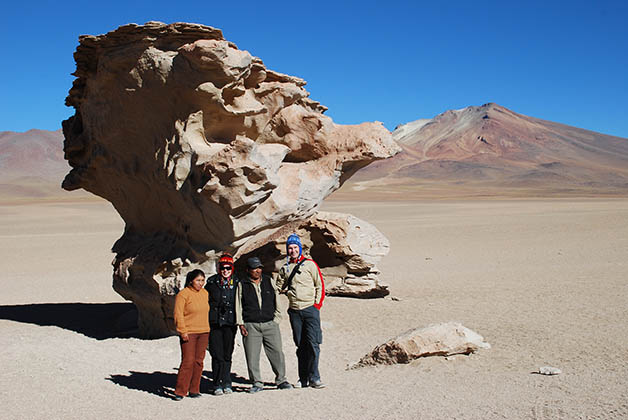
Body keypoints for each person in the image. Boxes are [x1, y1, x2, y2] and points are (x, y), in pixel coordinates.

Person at [235, 257, 293, 393]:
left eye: (259, 268)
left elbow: (276, 299)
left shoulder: (268, 281)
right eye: (254, 268)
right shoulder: (242, 284)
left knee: (277, 352)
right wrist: (241, 323)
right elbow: (238, 304)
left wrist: (277, 318)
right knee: (252, 355)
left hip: (270, 324)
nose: (257, 271)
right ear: (248, 270)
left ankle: (281, 380)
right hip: (251, 325)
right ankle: (256, 382)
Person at [276, 234, 326, 389]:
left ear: (300, 248)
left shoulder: (310, 265)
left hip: (310, 309)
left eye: (295, 247)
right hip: (295, 311)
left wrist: (316, 305)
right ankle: (302, 378)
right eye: (290, 248)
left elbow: (320, 285)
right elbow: (278, 287)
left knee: (313, 344)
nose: (292, 250)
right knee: (300, 345)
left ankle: (315, 377)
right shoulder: (285, 268)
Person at [205, 253, 239, 396]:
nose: (225, 271)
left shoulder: (237, 283)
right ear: (219, 268)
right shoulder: (212, 282)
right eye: (223, 268)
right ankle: (217, 383)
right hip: (215, 322)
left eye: (228, 268)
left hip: (230, 323)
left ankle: (227, 381)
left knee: (227, 353)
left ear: (232, 268)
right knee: (216, 353)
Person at [173, 269, 210, 400]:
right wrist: (182, 331)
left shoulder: (205, 293)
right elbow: (178, 314)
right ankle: (180, 391)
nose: (201, 283)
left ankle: (194, 389)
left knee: (199, 361)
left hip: (204, 331)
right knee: (188, 361)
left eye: (202, 280)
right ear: (191, 281)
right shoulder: (183, 294)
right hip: (189, 332)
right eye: (198, 280)